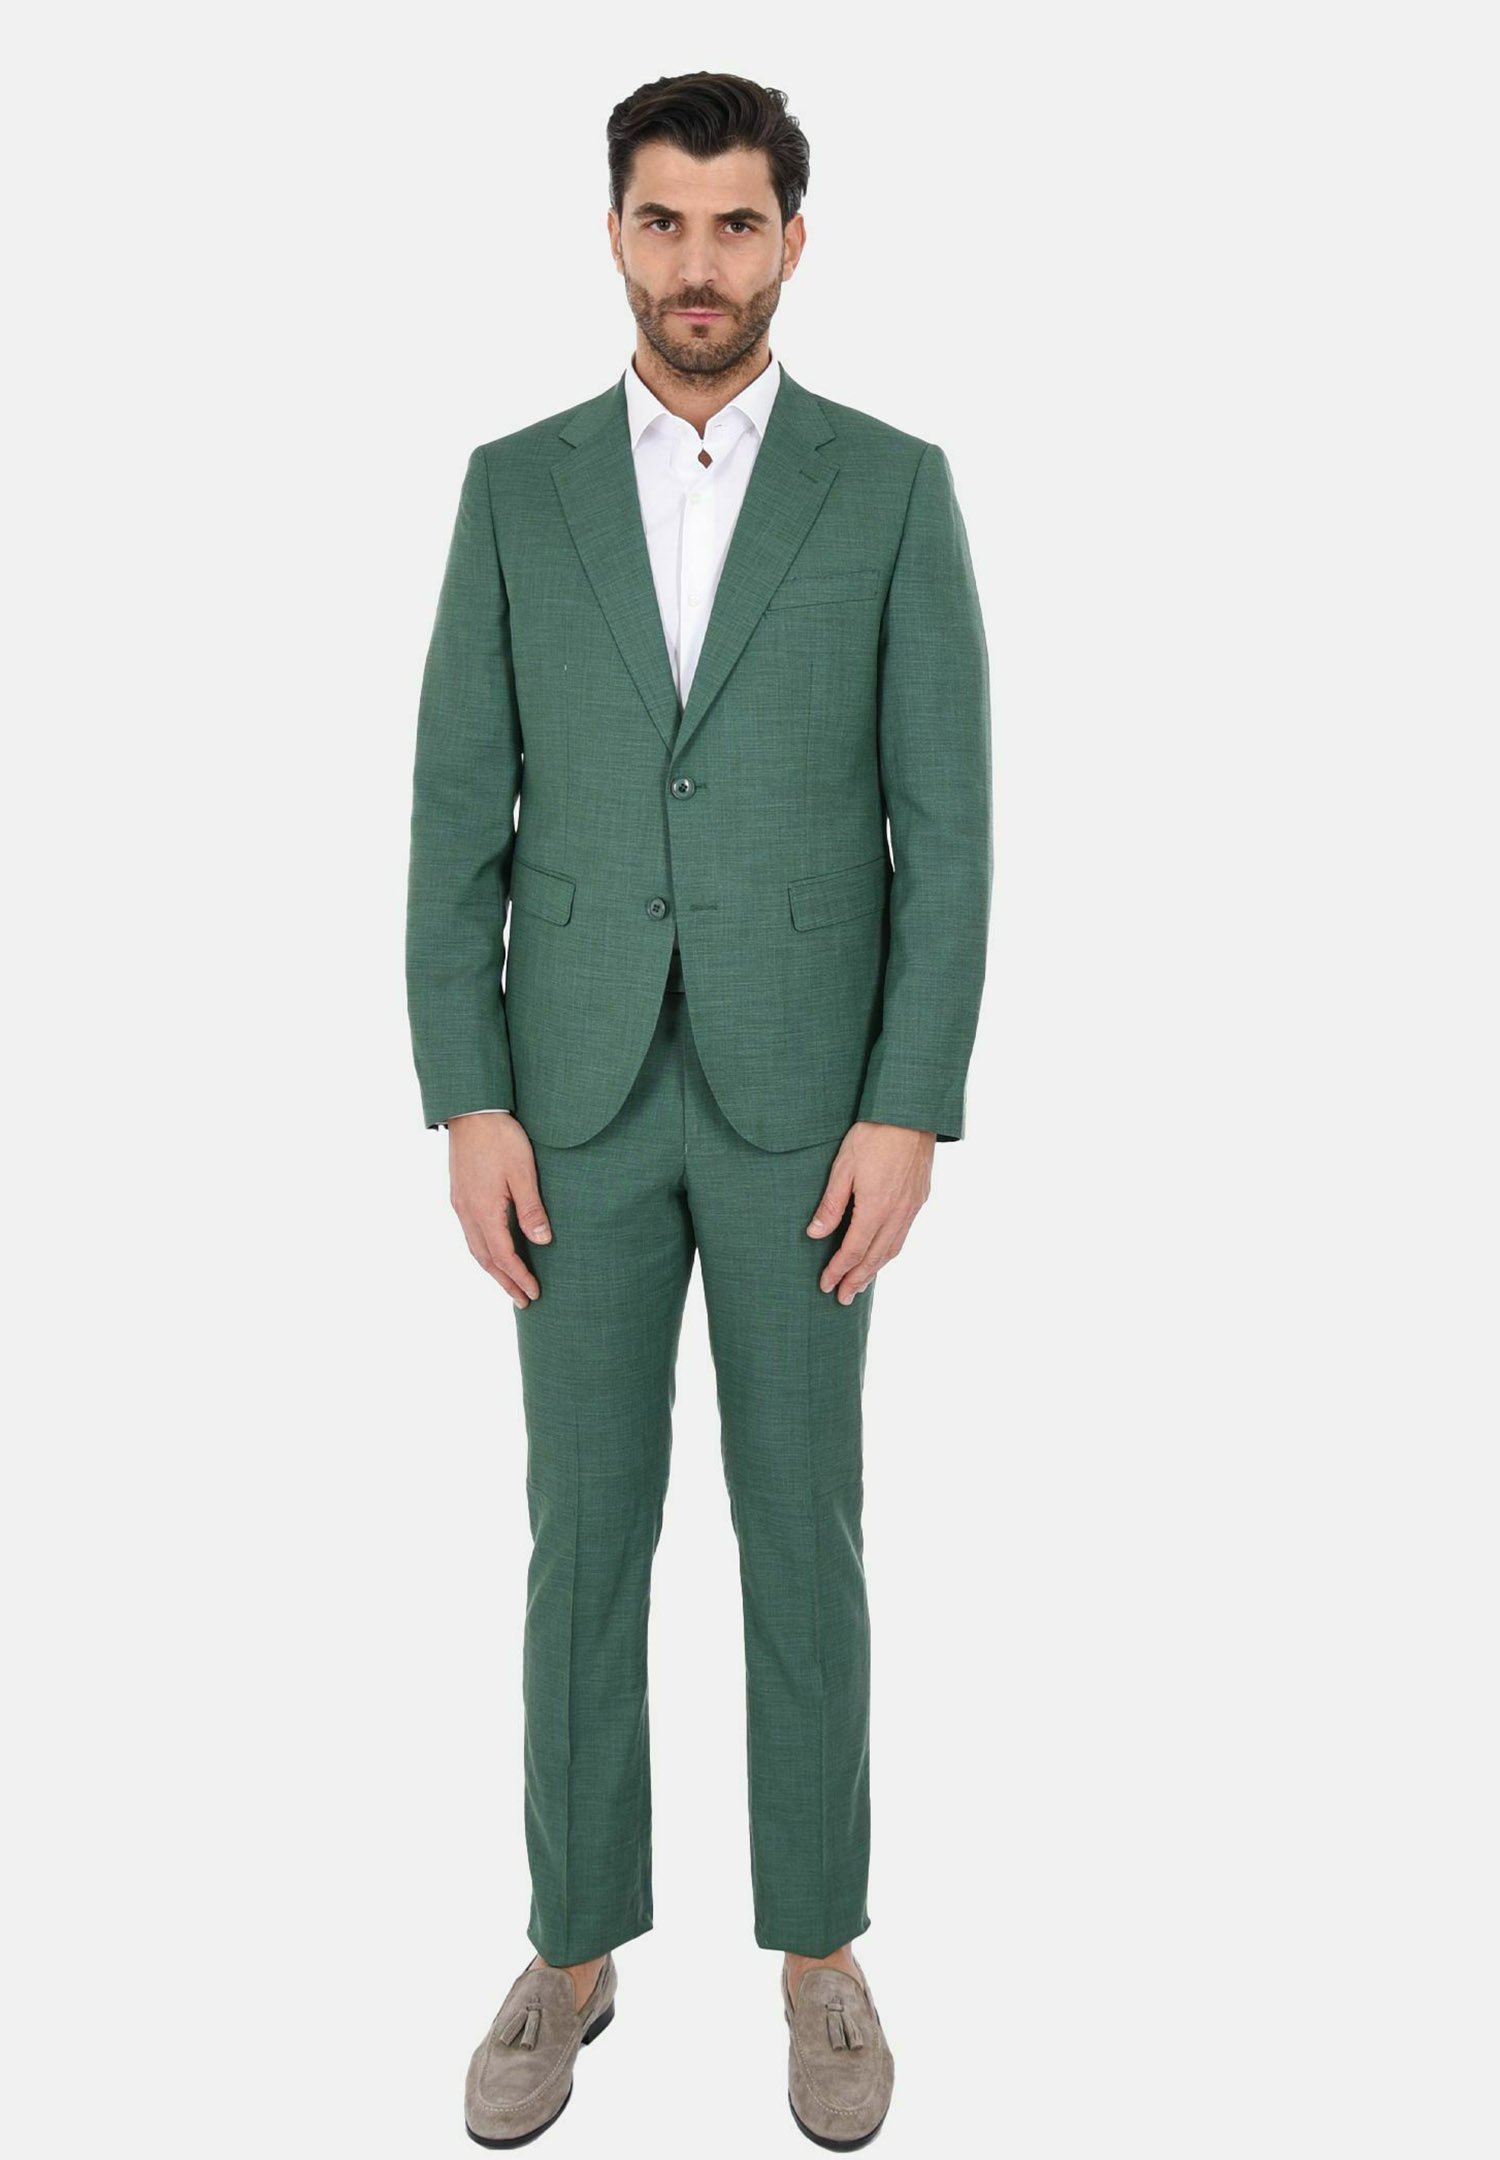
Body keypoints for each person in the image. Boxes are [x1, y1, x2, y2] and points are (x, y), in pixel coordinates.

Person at [406, 69, 992, 2151]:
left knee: (800, 1524)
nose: (700, 263)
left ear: (792, 242)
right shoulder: (516, 490)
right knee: (586, 1531)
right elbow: (454, 820)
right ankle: (572, 1948)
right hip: (566, 1105)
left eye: (738, 223)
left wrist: (909, 1103)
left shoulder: (891, 489)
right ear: (615, 234)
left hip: (806, 1110)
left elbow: (948, 825)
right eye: (664, 220)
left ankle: (820, 1949)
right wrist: (466, 1098)